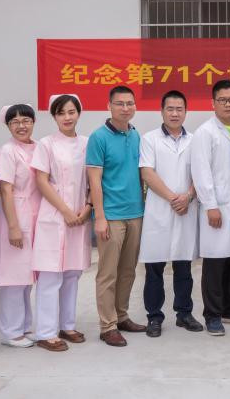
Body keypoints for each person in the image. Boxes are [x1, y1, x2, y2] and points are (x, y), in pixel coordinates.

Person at [139, 90, 203, 338]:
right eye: (170, 108)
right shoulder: (149, 139)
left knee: (184, 266)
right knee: (154, 268)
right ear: (162, 111)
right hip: (160, 211)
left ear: (186, 112)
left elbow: (201, 173)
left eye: (179, 109)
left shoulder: (195, 140)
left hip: (187, 208)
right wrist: (173, 198)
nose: (175, 113)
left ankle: (184, 314)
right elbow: (147, 172)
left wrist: (188, 196)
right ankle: (154, 317)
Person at [31, 94, 92, 352]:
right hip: (54, 216)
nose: (67, 117)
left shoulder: (88, 143)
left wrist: (87, 207)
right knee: (50, 274)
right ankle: (45, 332)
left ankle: (67, 325)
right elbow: (41, 181)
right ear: (54, 116)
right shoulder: (46, 144)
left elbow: (94, 179)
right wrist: (65, 211)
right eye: (61, 113)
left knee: (72, 273)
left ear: (79, 113)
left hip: (80, 216)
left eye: (71, 112)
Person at [87, 86, 147, 347]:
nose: (125, 108)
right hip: (111, 215)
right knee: (107, 273)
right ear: (109, 106)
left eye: (130, 103)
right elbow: (94, 181)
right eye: (120, 103)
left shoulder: (135, 135)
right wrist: (99, 217)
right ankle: (107, 325)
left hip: (136, 213)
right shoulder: (98, 137)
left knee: (128, 271)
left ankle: (121, 316)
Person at [190, 79, 230, 336]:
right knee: (215, 262)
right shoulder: (205, 132)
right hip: (218, 205)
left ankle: (229, 306)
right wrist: (211, 205)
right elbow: (200, 170)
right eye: (223, 100)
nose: (228, 104)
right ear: (213, 103)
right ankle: (212, 314)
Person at [0, 104, 41, 348]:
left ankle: (24, 327)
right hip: (16, 214)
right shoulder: (7, 151)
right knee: (13, 276)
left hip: (35, 214)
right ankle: (10, 332)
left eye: (26, 120)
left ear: (33, 122)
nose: (21, 126)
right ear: (8, 126)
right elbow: (5, 189)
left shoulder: (38, 147)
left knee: (27, 276)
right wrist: (13, 226)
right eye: (15, 122)